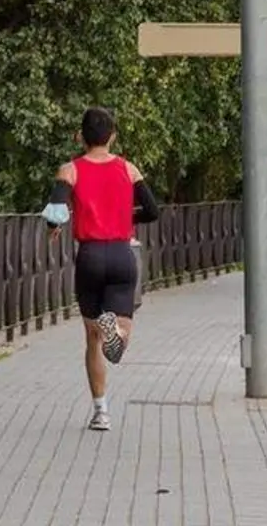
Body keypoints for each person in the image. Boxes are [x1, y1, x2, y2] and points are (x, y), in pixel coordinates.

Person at [41, 107, 161, 431]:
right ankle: (116, 330)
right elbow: (152, 210)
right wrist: (124, 218)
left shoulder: (71, 170)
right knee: (117, 344)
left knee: (92, 340)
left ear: (81, 136)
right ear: (113, 136)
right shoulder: (128, 168)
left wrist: (55, 225)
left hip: (90, 257)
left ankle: (101, 412)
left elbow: (54, 210)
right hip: (122, 255)